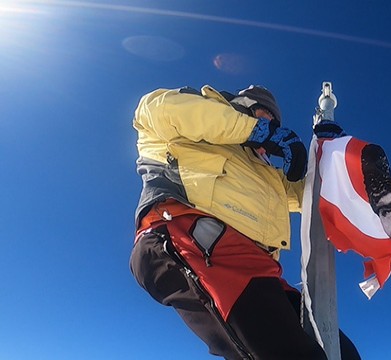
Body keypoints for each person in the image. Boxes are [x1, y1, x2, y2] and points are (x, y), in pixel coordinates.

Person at [129, 84, 360, 359]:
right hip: (192, 237)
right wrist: (257, 130)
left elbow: (308, 197)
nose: (269, 126)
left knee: (341, 352)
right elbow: (163, 110)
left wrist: (329, 158)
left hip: (256, 263)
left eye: (274, 124)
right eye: (263, 117)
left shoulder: (264, 172)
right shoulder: (185, 116)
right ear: (242, 107)